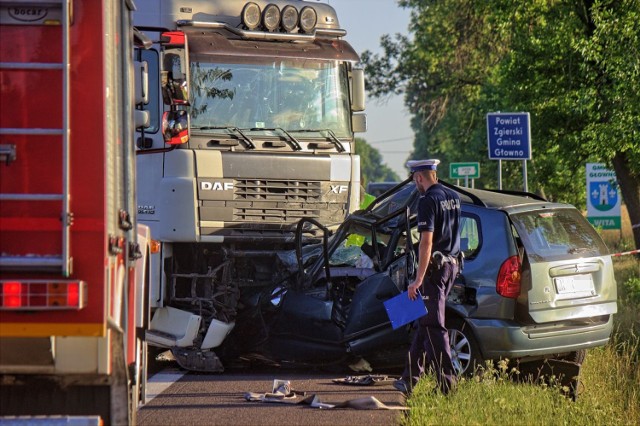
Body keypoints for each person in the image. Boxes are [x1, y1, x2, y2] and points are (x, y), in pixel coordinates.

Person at [394, 159, 462, 396]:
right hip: (452, 266)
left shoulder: (427, 200)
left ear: (419, 178)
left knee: (434, 326)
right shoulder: (453, 196)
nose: (416, 184)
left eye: (415, 180)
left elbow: (426, 243)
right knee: (425, 321)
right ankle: (409, 378)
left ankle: (447, 385)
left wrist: (418, 280)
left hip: (434, 271)